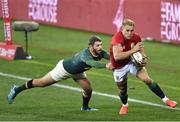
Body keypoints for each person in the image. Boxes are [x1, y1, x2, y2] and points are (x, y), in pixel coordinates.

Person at [7, 35, 113, 111]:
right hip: (64, 69)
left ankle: (85, 108)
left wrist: (124, 58)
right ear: (90, 46)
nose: (100, 47)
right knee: (42, 83)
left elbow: (113, 57)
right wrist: (105, 65)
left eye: (101, 45)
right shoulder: (85, 55)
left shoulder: (100, 52)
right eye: (97, 45)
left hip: (78, 72)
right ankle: (16, 89)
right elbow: (92, 63)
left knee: (88, 89)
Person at [110, 18, 177, 115]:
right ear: (122, 29)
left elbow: (141, 51)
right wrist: (134, 50)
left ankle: (166, 99)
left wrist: (144, 59)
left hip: (131, 62)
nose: (130, 33)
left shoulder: (136, 37)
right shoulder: (117, 38)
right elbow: (117, 57)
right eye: (127, 30)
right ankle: (125, 105)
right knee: (122, 90)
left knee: (147, 79)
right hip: (119, 66)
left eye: (132, 30)